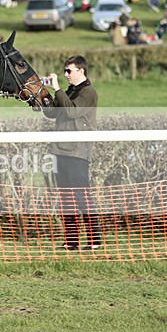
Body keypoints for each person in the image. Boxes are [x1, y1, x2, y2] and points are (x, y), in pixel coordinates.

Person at [42, 55, 101, 251]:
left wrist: (58, 89)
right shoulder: (70, 91)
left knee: (82, 197)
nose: (66, 74)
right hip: (61, 151)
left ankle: (94, 241)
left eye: (69, 71)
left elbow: (71, 112)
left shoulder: (88, 92)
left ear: (81, 71)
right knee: (66, 199)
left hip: (78, 153)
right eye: (64, 71)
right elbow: (52, 113)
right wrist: (42, 95)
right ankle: (71, 241)